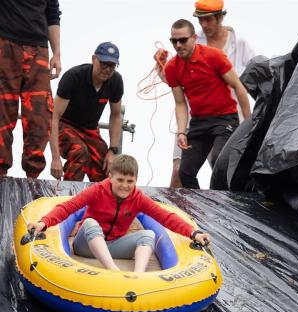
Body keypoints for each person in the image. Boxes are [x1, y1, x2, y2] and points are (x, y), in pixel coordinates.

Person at [28, 154, 210, 273]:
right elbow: (68, 207)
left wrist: (193, 233)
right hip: (86, 245)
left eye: (130, 181)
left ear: (136, 180)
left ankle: (137, 276)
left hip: (114, 245)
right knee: (91, 223)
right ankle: (113, 271)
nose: (125, 185)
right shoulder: (97, 191)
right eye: (120, 180)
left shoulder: (138, 198)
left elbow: (165, 217)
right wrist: (43, 223)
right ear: (110, 177)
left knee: (149, 234)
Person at [155, 0, 255, 188]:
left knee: (221, 162)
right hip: (198, 120)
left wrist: (248, 124)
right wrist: (181, 132)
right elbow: (180, 103)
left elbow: (239, 86)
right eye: (173, 41)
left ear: (219, 17)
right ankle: (199, 213)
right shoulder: (174, 66)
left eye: (208, 19)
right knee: (183, 171)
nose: (178, 45)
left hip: (226, 118)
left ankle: (224, 208)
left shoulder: (219, 53)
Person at [0, 0, 61, 178]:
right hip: (5, 44)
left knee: (39, 116)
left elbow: (52, 14)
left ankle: (33, 177)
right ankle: (1, 175)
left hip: (39, 48)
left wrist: (57, 53)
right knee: (3, 114)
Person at [50, 42, 124, 182]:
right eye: (104, 63)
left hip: (90, 129)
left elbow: (115, 115)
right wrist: (55, 158)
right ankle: (70, 197)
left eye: (112, 65)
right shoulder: (74, 77)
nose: (107, 69)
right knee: (79, 151)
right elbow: (53, 116)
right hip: (64, 124)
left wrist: (112, 150)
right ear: (94, 59)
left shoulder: (116, 81)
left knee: (107, 164)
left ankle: (101, 201)